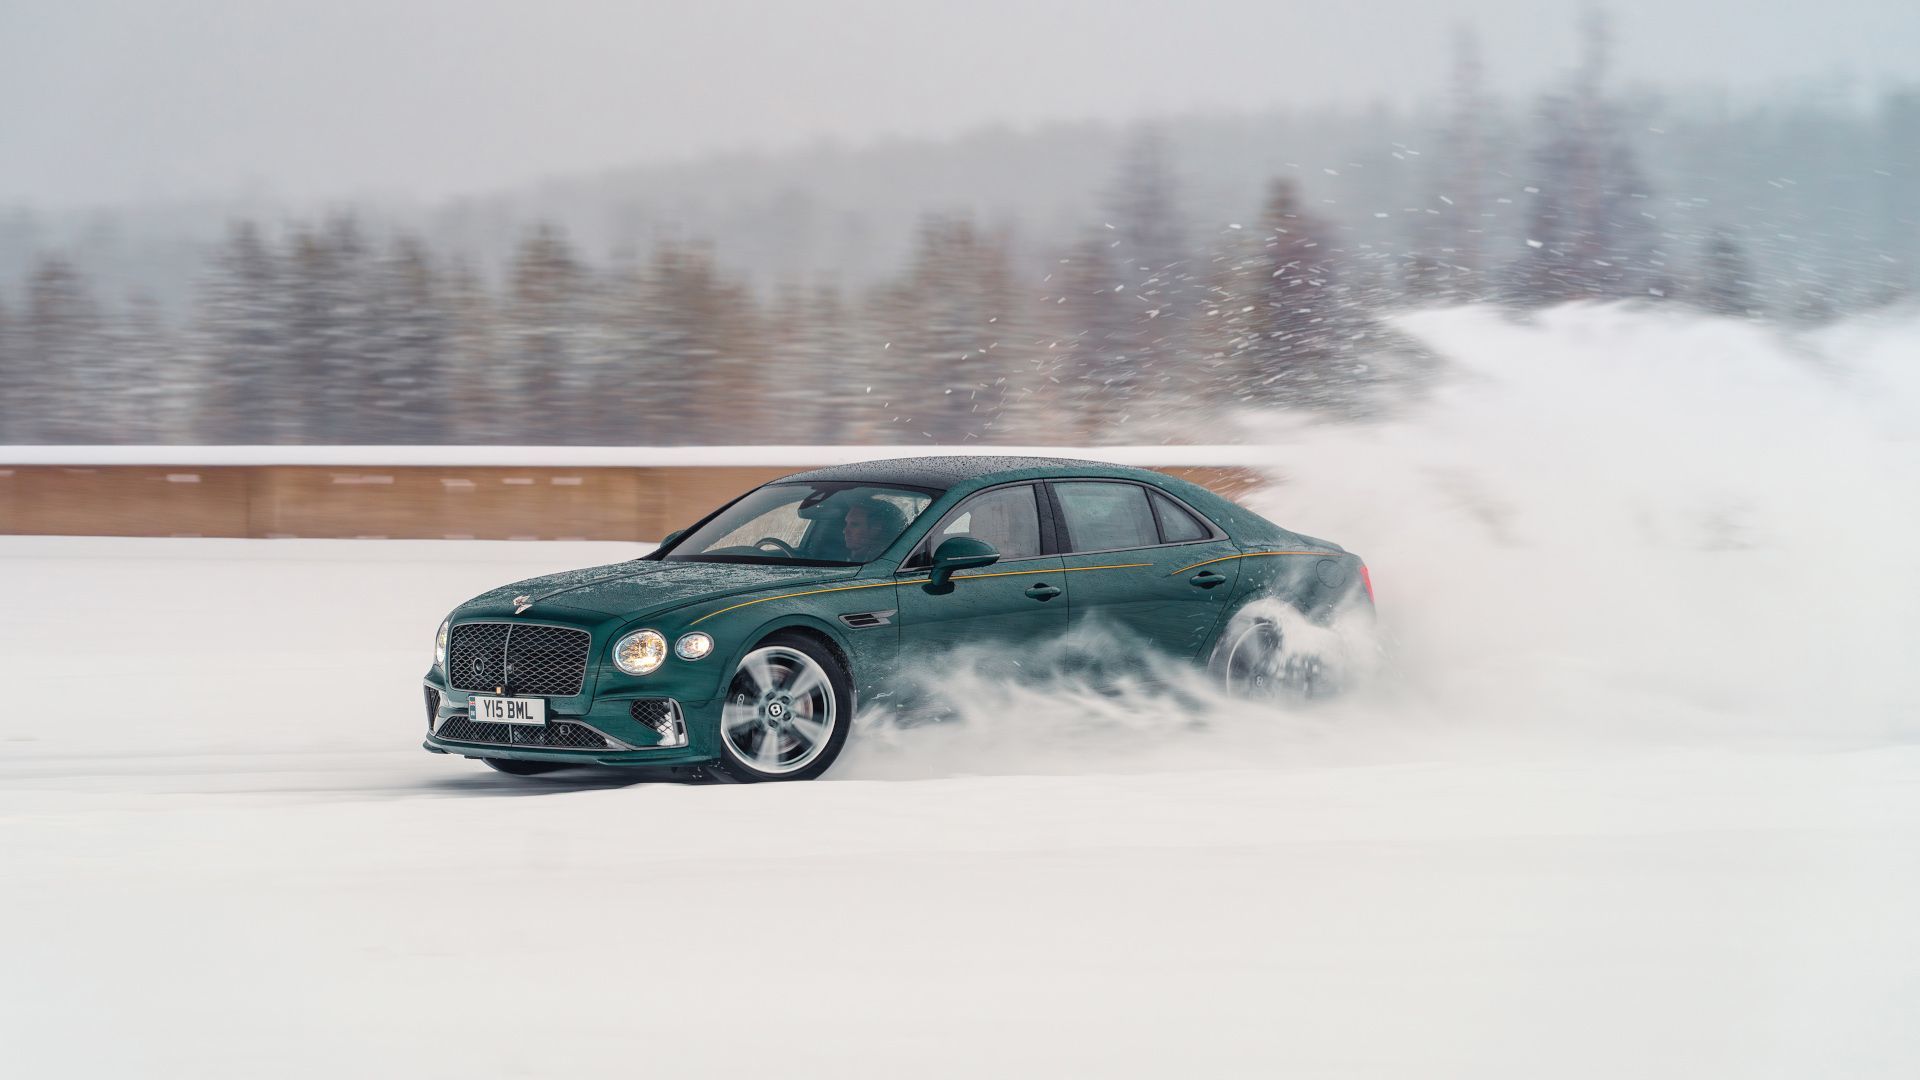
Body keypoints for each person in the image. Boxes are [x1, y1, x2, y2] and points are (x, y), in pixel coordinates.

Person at [841, 497, 906, 563]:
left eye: (855, 525)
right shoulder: (845, 555)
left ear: (876, 528)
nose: (845, 531)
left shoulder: (889, 560)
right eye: (847, 523)